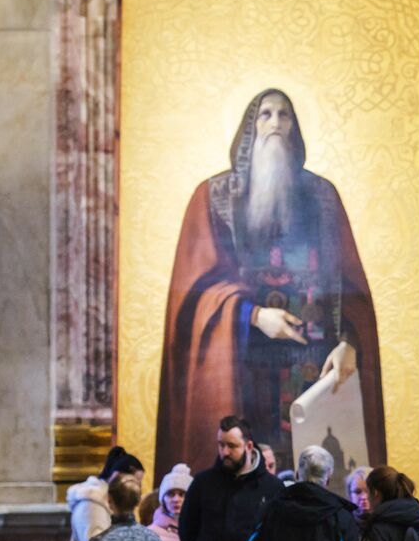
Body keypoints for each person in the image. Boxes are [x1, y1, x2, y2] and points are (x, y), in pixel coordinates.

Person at [154, 88, 385, 476]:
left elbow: (351, 290)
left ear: (295, 126)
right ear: (250, 127)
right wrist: (254, 314)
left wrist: (349, 343)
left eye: (284, 115)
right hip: (241, 370)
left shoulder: (322, 197)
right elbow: (194, 295)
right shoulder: (213, 197)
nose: (275, 124)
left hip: (312, 373)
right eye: (265, 115)